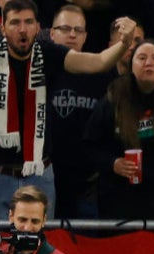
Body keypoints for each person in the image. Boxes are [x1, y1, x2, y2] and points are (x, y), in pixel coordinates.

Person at [0, 0, 139, 220]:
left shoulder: (49, 53)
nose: (22, 29)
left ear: (37, 27)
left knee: (39, 251)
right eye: (15, 22)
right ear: (3, 28)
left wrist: (124, 42)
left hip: (39, 174)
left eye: (28, 22)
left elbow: (98, 62)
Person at [83, 39, 154, 220]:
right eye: (141, 58)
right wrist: (113, 163)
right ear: (131, 67)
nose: (148, 63)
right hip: (121, 199)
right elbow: (90, 145)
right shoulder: (114, 97)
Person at [48, 4, 113, 219]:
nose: (72, 35)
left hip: (88, 184)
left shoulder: (102, 76)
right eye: (65, 29)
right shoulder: (38, 72)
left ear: (85, 36)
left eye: (78, 30)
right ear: (51, 33)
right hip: (45, 177)